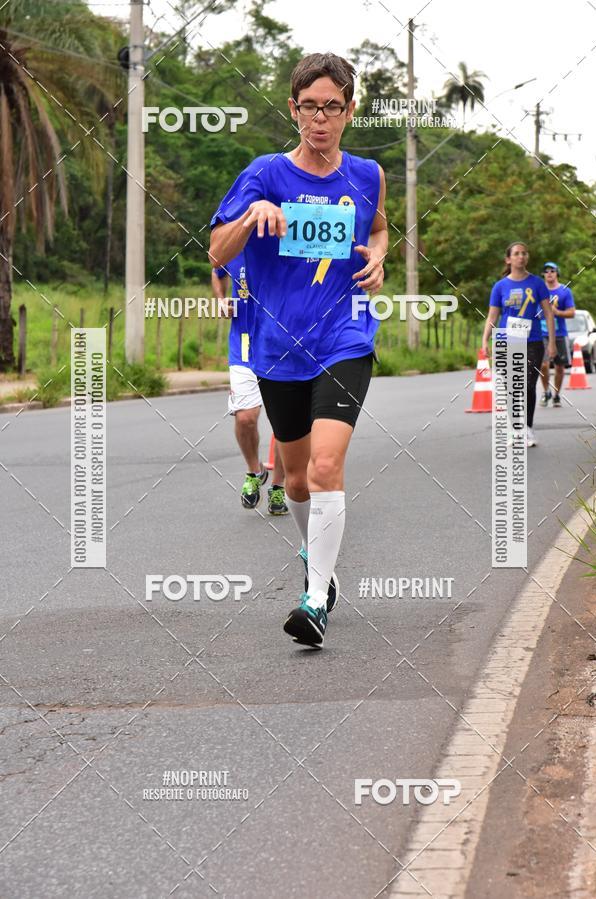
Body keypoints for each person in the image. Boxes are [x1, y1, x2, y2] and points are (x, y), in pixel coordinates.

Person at [209, 52, 387, 647]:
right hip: (279, 345)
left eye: (331, 107)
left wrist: (379, 256)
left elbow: (379, 225)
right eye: (308, 106)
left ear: (349, 111)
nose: (319, 118)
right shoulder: (263, 173)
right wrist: (253, 216)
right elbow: (216, 251)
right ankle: (319, 564)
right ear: (293, 109)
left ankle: (314, 599)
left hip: (346, 336)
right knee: (295, 481)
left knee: (326, 465)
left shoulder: (366, 175)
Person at [211, 257, 288, 515]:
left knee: (285, 421)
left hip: (283, 348)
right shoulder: (236, 246)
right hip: (243, 347)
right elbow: (217, 270)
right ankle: (255, 471)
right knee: (245, 418)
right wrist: (221, 300)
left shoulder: (286, 245)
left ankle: (278, 487)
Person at [481, 241, 556, 447]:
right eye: (516, 253)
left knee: (528, 385)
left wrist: (551, 342)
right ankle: (516, 430)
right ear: (509, 259)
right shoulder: (500, 286)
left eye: (524, 253)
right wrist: (484, 340)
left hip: (532, 340)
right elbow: (492, 316)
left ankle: (528, 429)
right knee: (511, 387)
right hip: (507, 340)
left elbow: (548, 313)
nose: (521, 256)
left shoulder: (537, 283)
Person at [538, 262, 575, 407]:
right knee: (543, 365)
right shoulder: (538, 290)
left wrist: (558, 312)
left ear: (557, 273)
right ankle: (546, 392)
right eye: (546, 271)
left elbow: (572, 312)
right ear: (543, 274)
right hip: (542, 333)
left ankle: (556, 395)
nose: (549, 273)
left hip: (560, 334)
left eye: (552, 270)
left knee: (560, 367)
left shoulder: (565, 291)